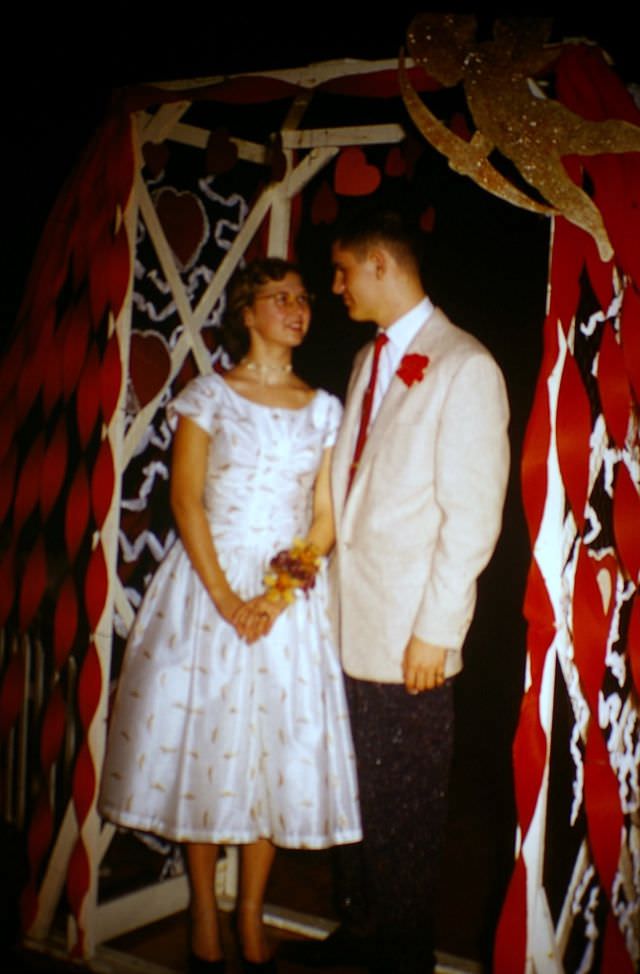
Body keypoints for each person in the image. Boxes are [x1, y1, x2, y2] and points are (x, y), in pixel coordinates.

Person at [99, 258, 361, 974]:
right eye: (282, 298)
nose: (299, 308)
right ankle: (203, 915)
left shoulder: (326, 407)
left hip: (287, 597)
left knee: (271, 753)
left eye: (304, 298)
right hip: (209, 587)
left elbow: (325, 515)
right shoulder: (207, 396)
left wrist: (274, 599)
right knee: (204, 742)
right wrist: (227, 600)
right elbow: (186, 502)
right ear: (248, 312)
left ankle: (250, 912)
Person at [326, 210, 510, 973]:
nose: (334, 287)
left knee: (406, 811)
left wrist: (437, 629)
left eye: (341, 272)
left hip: (411, 637)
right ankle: (360, 927)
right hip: (347, 622)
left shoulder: (465, 366)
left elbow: (472, 518)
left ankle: (400, 955)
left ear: (378, 265)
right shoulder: (370, 362)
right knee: (355, 795)